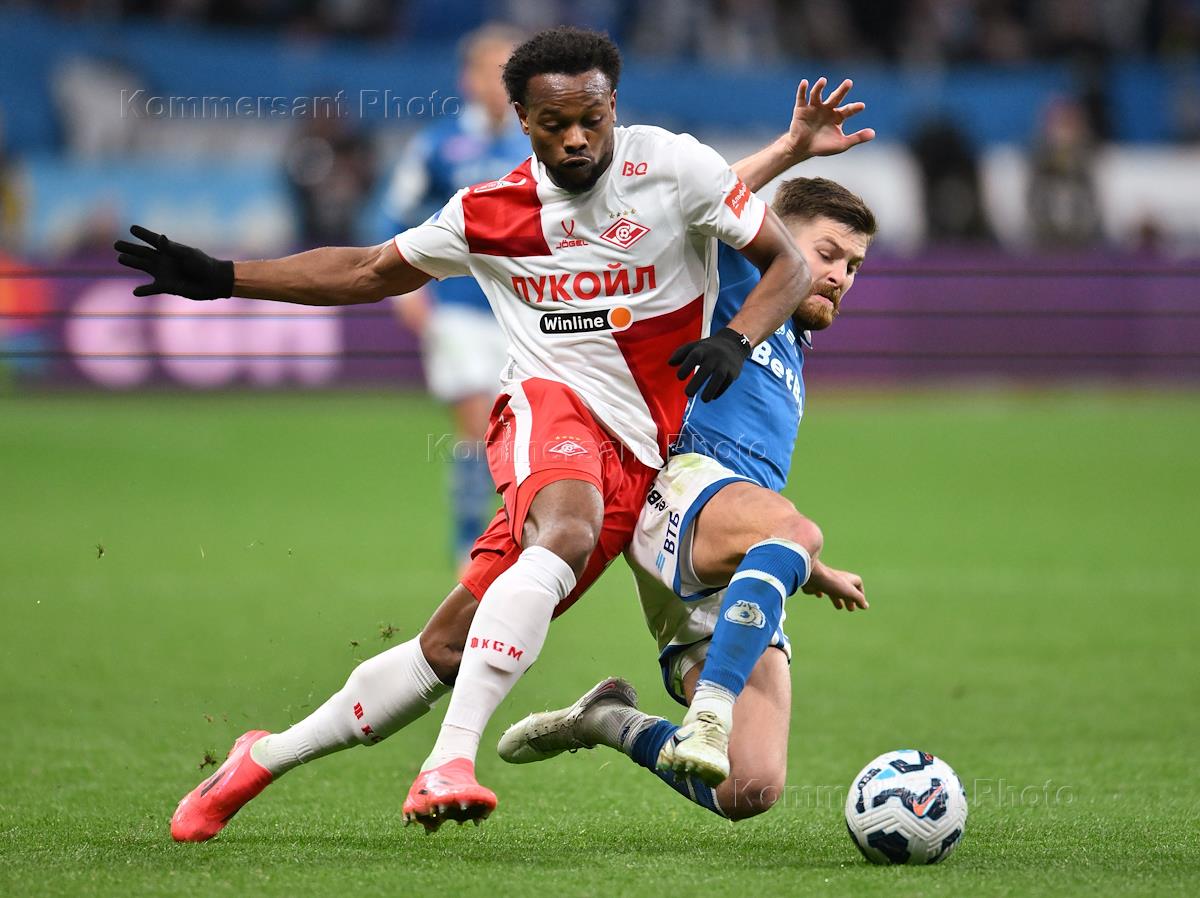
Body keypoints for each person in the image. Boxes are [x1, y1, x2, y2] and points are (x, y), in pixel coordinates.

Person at [114, 27, 811, 838]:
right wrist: (227, 276)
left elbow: (789, 263)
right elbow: (370, 270)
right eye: (554, 123)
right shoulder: (488, 213)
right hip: (546, 409)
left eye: (591, 119)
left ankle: (260, 758)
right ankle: (449, 761)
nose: (576, 137)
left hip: (635, 458)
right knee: (569, 529)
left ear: (614, 106)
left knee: (446, 650)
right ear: (521, 119)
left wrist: (737, 338)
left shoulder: (675, 166)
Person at [498, 173, 877, 820]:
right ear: (772, 236)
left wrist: (810, 570)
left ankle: (607, 720)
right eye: (827, 253)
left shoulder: (791, 344)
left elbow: (760, 511)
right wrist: (791, 151)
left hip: (729, 535)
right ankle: (709, 711)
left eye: (854, 266)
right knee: (797, 530)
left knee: (749, 787)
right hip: (675, 488)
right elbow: (690, 194)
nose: (841, 276)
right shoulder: (730, 276)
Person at [381, 24, 531, 566]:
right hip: (459, 309)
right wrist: (404, 294)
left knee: (523, 431)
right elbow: (393, 215)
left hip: (531, 310)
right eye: (489, 71)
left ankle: (513, 536)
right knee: (477, 426)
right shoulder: (438, 144)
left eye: (509, 72)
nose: (499, 84)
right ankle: (470, 545)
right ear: (467, 78)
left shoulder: (539, 140)